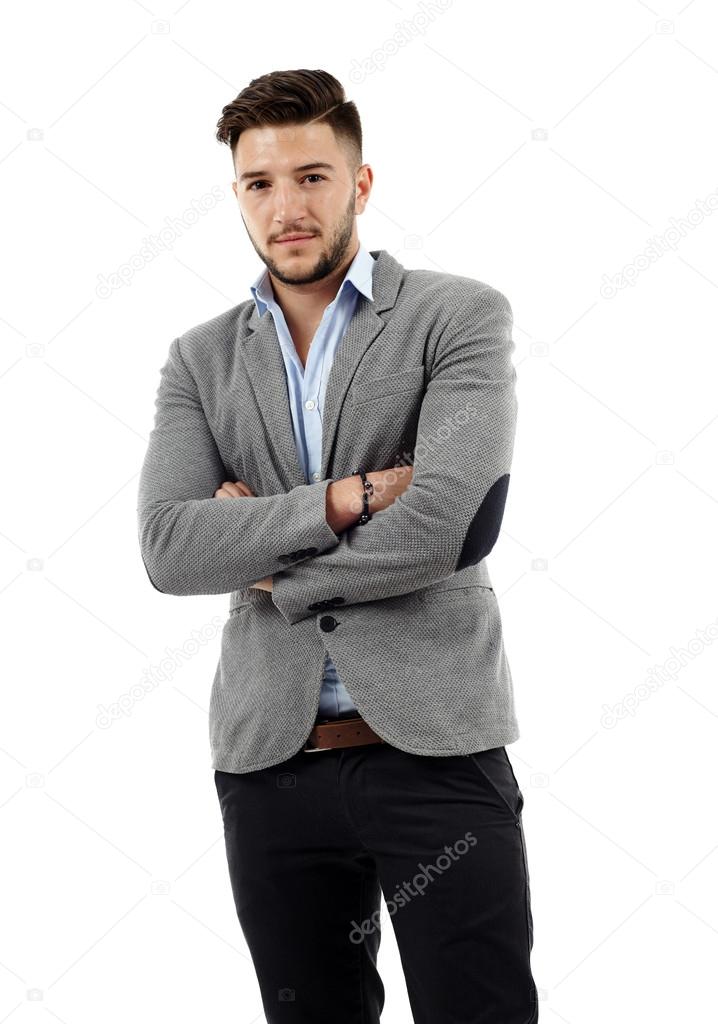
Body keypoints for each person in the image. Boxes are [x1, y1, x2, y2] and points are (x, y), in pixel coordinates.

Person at [137, 67, 539, 1024]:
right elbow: (168, 548)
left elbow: (452, 525)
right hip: (269, 764)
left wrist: (263, 558)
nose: (287, 207)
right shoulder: (199, 359)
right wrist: (354, 496)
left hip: (437, 751)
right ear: (238, 195)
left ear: (360, 185)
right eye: (260, 184)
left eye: (313, 177)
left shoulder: (458, 316)